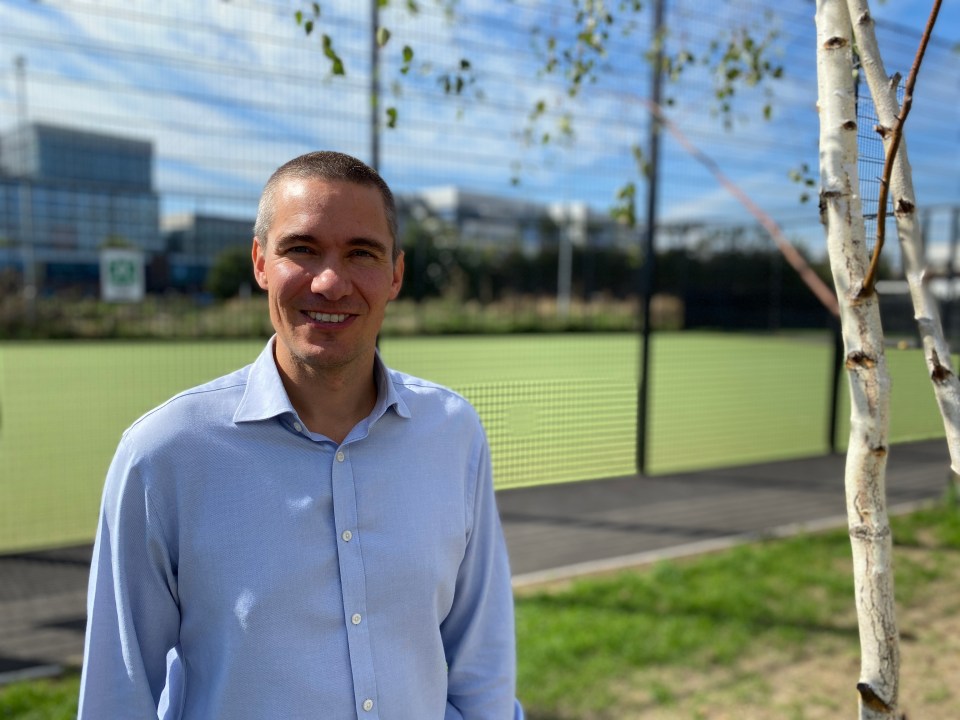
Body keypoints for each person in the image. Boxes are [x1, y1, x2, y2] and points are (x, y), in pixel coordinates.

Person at [79, 151, 523, 719]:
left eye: (362, 253)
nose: (331, 282)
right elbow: (117, 694)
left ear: (395, 275)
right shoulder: (163, 455)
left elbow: (480, 657)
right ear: (261, 262)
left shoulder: (453, 433)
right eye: (302, 249)